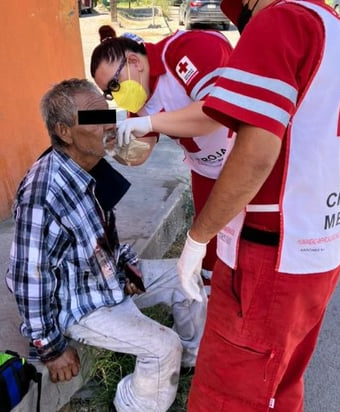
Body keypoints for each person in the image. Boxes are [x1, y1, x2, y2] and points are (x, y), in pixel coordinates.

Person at [116, 0, 340, 410]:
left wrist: (198, 237)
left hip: (269, 252)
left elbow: (257, 151)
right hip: (320, 243)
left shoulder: (280, 20)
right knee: (279, 386)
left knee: (227, 396)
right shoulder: (338, 33)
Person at [6, 78, 206, 412]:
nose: (109, 125)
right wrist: (50, 349)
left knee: (187, 276)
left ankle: (187, 359)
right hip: (80, 305)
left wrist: (125, 265)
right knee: (161, 345)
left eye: (107, 114)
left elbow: (101, 236)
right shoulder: (43, 193)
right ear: (65, 132)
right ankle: (131, 405)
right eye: (94, 119)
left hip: (107, 279)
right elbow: (28, 277)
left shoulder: (90, 165)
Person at [90, 25, 234, 295]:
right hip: (206, 172)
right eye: (109, 93)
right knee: (212, 255)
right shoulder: (140, 101)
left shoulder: (187, 50)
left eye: (114, 84)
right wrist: (112, 146)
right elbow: (140, 154)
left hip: (248, 159)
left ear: (133, 61)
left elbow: (217, 112)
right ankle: (213, 308)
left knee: (256, 244)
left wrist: (149, 122)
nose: (117, 96)